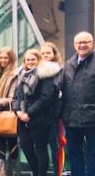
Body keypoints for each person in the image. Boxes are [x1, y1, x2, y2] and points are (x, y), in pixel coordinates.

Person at [60, 31, 95, 176]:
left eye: (85, 42)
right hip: (72, 119)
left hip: (93, 117)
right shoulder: (68, 64)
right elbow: (64, 92)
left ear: (92, 43)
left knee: (93, 153)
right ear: (74, 45)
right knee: (74, 153)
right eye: (79, 43)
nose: (82, 45)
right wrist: (61, 115)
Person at [12, 49, 60, 176]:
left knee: (40, 150)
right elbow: (16, 97)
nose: (30, 62)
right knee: (27, 149)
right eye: (28, 59)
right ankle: (35, 172)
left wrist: (29, 113)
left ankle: (41, 174)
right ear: (24, 61)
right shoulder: (21, 75)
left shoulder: (45, 76)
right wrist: (18, 112)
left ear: (38, 60)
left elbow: (46, 97)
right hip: (22, 120)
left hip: (40, 119)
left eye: (33, 59)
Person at [0, 47, 20, 176]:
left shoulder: (14, 75)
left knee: (13, 144)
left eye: (6, 58)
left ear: (11, 59)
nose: (3, 60)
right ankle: (1, 174)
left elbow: (12, 98)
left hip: (9, 114)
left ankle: (10, 172)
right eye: (1, 57)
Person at [38, 42, 65, 176]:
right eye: (43, 53)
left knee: (56, 148)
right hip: (38, 118)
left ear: (54, 54)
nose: (45, 55)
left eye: (48, 53)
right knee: (40, 149)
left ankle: (58, 173)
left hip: (56, 117)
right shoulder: (35, 71)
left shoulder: (61, 71)